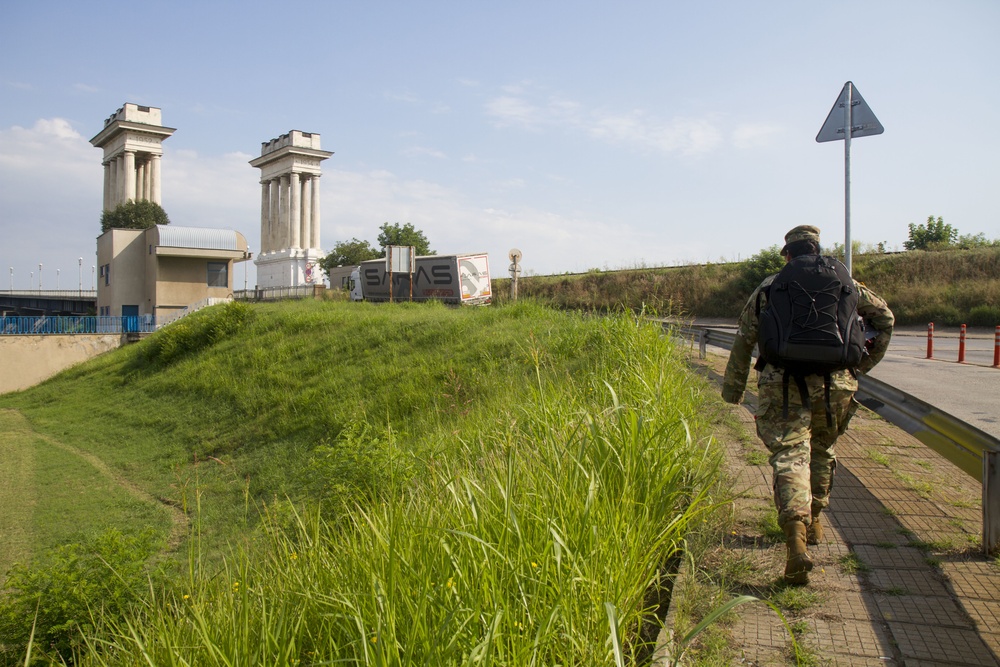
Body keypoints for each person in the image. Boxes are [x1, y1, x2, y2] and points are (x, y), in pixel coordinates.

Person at [721, 225, 894, 585]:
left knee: (789, 454)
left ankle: (795, 538)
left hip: (782, 383)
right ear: (817, 250)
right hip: (835, 383)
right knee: (823, 448)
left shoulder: (770, 286)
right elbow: (884, 319)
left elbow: (744, 338)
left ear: (787, 254)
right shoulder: (846, 282)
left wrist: (733, 388)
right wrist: (861, 365)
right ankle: (815, 521)